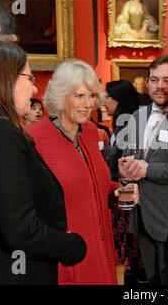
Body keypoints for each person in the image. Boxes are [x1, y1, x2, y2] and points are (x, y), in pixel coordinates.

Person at [0, 40, 86, 285]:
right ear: (5, 77)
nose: (34, 90)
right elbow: (20, 230)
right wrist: (72, 245)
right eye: (29, 79)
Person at [27, 60, 133, 285]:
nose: (87, 104)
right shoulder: (34, 138)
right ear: (60, 96)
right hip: (65, 256)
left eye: (92, 96)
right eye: (79, 96)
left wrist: (118, 191)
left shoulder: (91, 132)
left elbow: (95, 185)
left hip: (101, 250)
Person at [117, 55, 168, 285]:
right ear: (147, 83)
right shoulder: (136, 117)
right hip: (140, 217)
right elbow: (127, 159)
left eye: (167, 80)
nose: (160, 86)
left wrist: (147, 170)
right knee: (151, 282)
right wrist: (124, 173)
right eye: (154, 79)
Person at [103, 80, 146, 284]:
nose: (103, 101)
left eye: (107, 96)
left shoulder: (129, 125)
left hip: (126, 193)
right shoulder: (120, 122)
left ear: (117, 100)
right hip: (118, 192)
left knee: (131, 251)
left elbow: (128, 162)